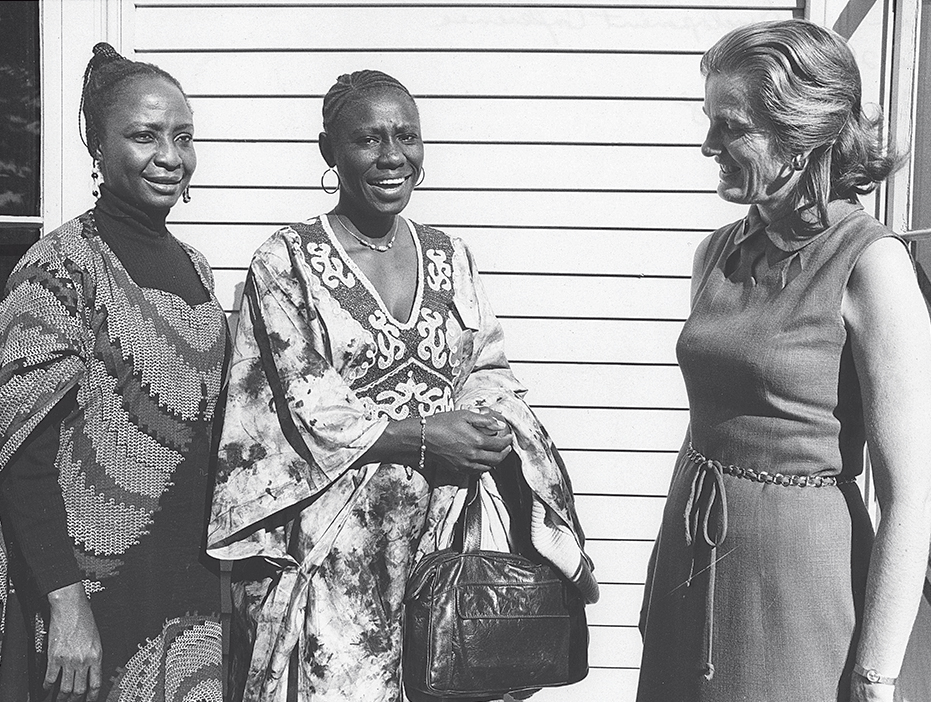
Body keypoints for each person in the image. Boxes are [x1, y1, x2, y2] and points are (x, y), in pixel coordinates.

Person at [206, 69, 598, 702]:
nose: (392, 157)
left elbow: (485, 368)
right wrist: (421, 436)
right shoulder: (287, 262)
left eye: (406, 137)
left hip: (445, 531)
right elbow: (298, 398)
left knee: (447, 678)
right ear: (329, 150)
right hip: (340, 542)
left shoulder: (451, 255)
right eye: (368, 139)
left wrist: (487, 426)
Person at [637, 19, 931, 702]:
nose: (708, 144)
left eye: (730, 126)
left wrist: (875, 674)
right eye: (709, 120)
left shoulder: (871, 265)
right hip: (692, 562)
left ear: (799, 135)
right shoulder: (714, 254)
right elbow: (706, 423)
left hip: (801, 581)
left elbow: (910, 496)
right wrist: (660, 578)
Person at [0, 43, 227, 701]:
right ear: (97, 147)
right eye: (144, 135)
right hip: (91, 596)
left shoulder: (197, 268)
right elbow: (22, 456)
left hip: (185, 591)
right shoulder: (59, 271)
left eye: (183, 137)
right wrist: (66, 606)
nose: (170, 156)